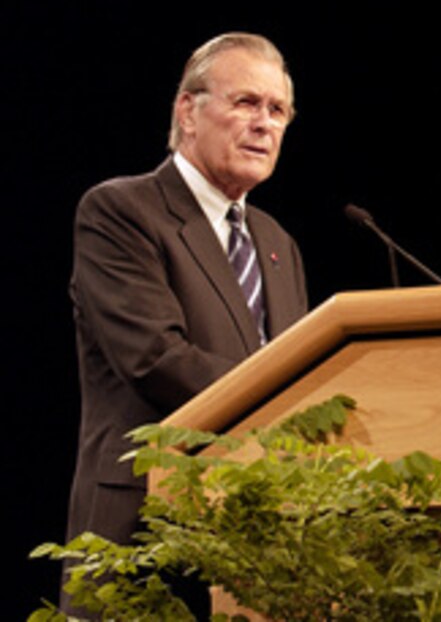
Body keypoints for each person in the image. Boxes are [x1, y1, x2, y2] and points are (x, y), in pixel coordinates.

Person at [63, 32, 309, 582]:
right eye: (246, 102)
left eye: (278, 110)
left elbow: (297, 363)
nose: (264, 123)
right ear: (188, 111)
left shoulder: (277, 244)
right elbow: (156, 358)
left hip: (257, 537)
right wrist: (295, 412)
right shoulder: (121, 212)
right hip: (145, 530)